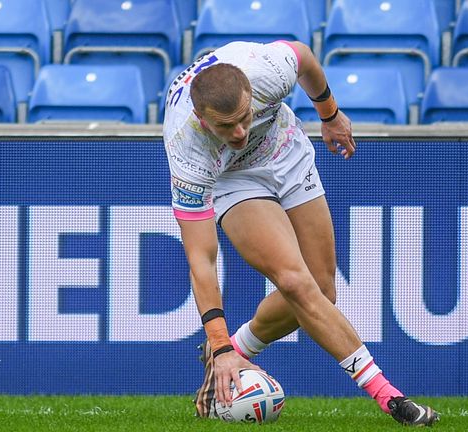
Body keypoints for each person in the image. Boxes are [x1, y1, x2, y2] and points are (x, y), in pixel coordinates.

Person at [162, 40, 439, 427]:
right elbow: (201, 260)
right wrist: (218, 338)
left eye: (245, 116)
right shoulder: (187, 150)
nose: (240, 131)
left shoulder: (266, 70)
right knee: (295, 280)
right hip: (232, 177)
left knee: (323, 289)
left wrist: (330, 114)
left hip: (285, 150)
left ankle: (239, 347)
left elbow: (305, 57)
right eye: (227, 126)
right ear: (202, 119)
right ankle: (389, 396)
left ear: (250, 92)